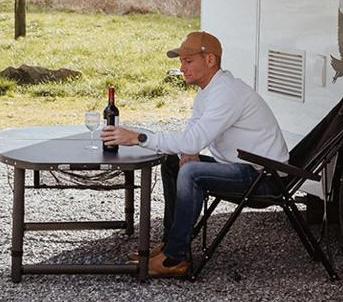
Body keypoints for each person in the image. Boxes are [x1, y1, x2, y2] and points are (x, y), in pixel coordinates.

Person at [100, 30, 289, 278]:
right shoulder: (209, 91)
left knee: (190, 171)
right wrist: (188, 150)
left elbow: (192, 139)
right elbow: (193, 133)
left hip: (264, 178)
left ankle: (175, 259)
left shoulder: (226, 93)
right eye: (181, 62)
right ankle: (170, 244)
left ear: (209, 60)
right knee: (172, 162)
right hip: (242, 167)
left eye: (188, 61)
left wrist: (138, 138)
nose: (182, 67)